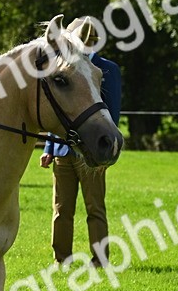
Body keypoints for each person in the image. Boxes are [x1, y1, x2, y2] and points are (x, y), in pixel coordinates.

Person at [40, 22, 122, 267]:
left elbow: (112, 114)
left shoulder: (108, 69)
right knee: (61, 209)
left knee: (94, 208)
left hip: (92, 153)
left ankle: (100, 260)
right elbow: (61, 111)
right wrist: (48, 149)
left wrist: (108, 151)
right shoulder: (67, 66)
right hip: (63, 151)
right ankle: (61, 259)